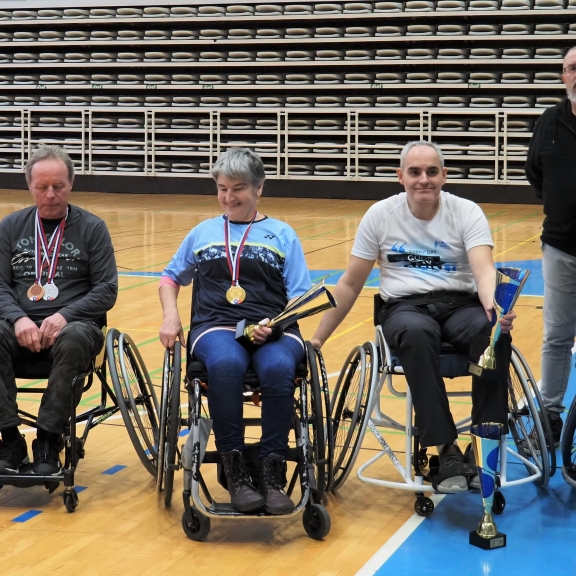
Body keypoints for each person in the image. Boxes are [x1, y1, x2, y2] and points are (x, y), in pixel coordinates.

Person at [312, 140, 515, 493]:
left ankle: (483, 442)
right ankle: (446, 448)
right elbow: (350, 283)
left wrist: (492, 308)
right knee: (417, 334)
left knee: (490, 332)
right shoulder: (380, 215)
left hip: (460, 304)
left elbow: (484, 271)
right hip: (405, 307)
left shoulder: (466, 212)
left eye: (432, 172)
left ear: (444, 176)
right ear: (400, 176)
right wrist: (318, 338)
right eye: (415, 172)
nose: (424, 179)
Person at [159, 147, 311, 514]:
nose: (229, 197)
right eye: (222, 189)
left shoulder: (283, 234)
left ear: (259, 187)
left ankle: (272, 473)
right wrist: (170, 316)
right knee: (225, 364)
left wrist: (273, 324)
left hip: (275, 327)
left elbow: (301, 295)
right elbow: (170, 278)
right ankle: (236, 471)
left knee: (278, 368)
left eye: (238, 188)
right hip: (216, 327)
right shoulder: (202, 232)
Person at [0, 145, 117, 476]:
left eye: (58, 186)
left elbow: (107, 289)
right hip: (18, 329)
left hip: (74, 329)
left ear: (71, 183)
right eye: (42, 187)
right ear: (29, 185)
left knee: (75, 337)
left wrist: (65, 315)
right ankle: (10, 440)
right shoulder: (10, 227)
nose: (50, 194)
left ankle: (49, 440)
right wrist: (18, 318)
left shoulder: (92, 228)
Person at [525, 45, 576, 446]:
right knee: (557, 336)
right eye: (571, 68)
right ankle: (551, 415)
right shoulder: (549, 121)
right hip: (561, 247)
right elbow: (535, 174)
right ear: (563, 77)